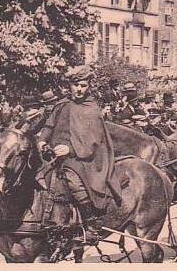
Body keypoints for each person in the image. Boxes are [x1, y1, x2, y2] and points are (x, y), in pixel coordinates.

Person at [37, 65, 122, 244]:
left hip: (83, 157)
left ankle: (91, 225)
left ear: (88, 86)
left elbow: (93, 139)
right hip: (53, 155)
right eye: (76, 85)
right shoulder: (61, 105)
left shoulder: (91, 108)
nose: (79, 89)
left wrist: (70, 150)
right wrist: (42, 140)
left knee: (73, 181)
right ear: (70, 86)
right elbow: (49, 125)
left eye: (83, 85)